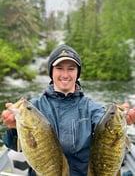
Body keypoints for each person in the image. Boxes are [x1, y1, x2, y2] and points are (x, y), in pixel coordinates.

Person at [1, 44, 135, 176]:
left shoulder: (92, 108)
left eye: (71, 69)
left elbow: (108, 131)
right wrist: (14, 128)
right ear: (51, 72)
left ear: (77, 73)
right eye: (59, 68)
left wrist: (123, 121)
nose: (65, 75)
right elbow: (12, 145)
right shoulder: (34, 107)